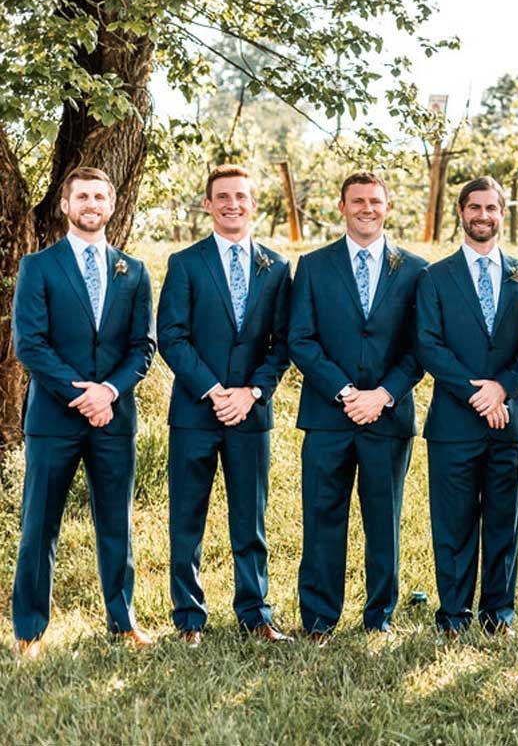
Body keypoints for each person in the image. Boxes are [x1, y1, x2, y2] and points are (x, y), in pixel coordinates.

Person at [11, 167, 156, 658]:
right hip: (54, 418)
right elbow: (29, 344)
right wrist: (83, 395)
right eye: (82, 196)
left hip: (114, 419)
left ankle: (123, 621)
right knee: (40, 525)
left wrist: (109, 392)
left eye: (100, 196)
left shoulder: (133, 271)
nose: (91, 203)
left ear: (111, 206)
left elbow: (143, 347)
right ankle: (29, 630)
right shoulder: (39, 266)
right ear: (66, 206)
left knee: (116, 522)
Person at [157, 164, 293, 646]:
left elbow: (284, 343)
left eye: (241, 196)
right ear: (209, 204)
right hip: (195, 412)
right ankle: (189, 618)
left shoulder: (277, 268)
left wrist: (251, 392)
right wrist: (214, 391)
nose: (233, 204)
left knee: (250, 519)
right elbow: (171, 337)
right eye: (223, 196)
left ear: (253, 204)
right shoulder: (185, 263)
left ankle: (255, 613)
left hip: (250, 414)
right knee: (187, 518)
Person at [288, 171, 426, 642]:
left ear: (388, 207)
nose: (367, 208)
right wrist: (346, 393)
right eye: (358, 201)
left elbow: (419, 347)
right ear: (341, 206)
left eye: (375, 201)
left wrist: (383, 395)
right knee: (323, 515)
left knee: (383, 517)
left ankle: (379, 616)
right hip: (329, 415)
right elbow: (300, 340)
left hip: (388, 415)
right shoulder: (313, 265)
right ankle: (320, 618)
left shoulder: (414, 269)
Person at [415, 176, 518, 638]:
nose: (482, 216)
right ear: (461, 213)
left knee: (504, 521)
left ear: (502, 214)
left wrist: (502, 389)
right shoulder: (435, 277)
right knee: (454, 523)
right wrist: (476, 392)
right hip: (453, 420)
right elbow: (428, 345)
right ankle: (453, 615)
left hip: (508, 420)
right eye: (474, 208)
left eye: (491, 208)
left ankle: (498, 615)